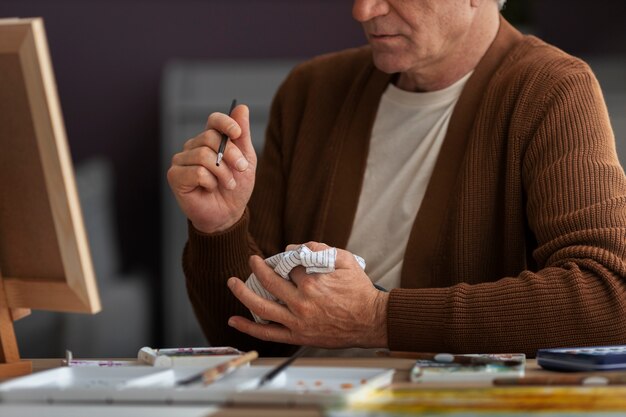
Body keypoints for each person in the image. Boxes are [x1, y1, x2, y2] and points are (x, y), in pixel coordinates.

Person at [167, 0, 626, 357]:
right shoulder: (310, 92)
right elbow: (253, 339)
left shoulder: (551, 90)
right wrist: (219, 228)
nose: (363, 11)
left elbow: (610, 296)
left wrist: (380, 319)